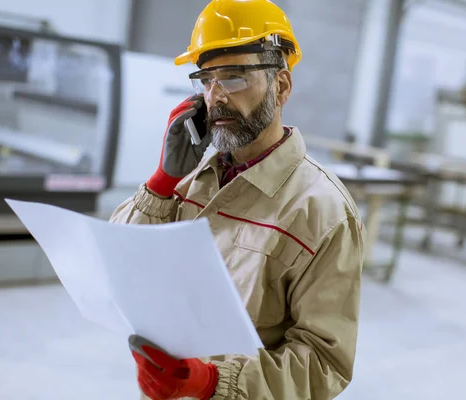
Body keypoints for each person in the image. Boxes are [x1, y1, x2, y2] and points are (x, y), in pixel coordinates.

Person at [109, 0, 366, 398]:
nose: (216, 97)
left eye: (234, 78)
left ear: (281, 86)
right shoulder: (192, 177)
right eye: (206, 79)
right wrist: (162, 182)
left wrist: (210, 381)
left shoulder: (323, 212)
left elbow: (323, 364)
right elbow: (121, 260)